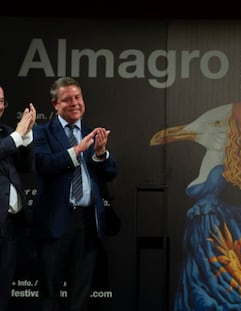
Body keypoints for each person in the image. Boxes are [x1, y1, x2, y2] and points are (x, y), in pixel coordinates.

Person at [31, 77, 117, 311]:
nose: (75, 103)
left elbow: (109, 173)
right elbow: (43, 164)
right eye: (67, 99)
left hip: (87, 223)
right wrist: (78, 150)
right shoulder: (41, 132)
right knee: (49, 291)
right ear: (55, 104)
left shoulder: (91, 132)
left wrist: (100, 154)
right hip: (55, 222)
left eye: (77, 97)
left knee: (81, 292)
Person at [0, 85, 36, 311]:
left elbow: (26, 165)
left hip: (10, 225)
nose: (0, 106)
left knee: (3, 289)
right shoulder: (10, 136)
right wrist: (17, 135)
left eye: (2, 101)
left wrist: (28, 133)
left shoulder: (5, 132)